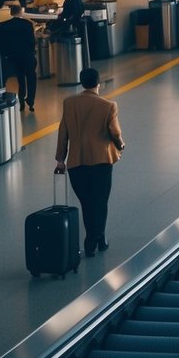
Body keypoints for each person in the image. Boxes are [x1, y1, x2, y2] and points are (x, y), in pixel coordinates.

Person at [55, 67, 125, 257]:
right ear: (98, 84)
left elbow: (63, 133)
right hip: (101, 161)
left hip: (77, 163)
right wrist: (120, 144)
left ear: (81, 82)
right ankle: (97, 240)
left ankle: (93, 240)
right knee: (100, 202)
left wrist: (60, 159)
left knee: (87, 203)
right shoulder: (108, 106)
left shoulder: (69, 103)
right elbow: (115, 132)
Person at [0, 3, 38, 111]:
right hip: (27, 55)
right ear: (20, 12)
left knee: (20, 79)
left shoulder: (5, 25)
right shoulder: (27, 24)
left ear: (11, 13)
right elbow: (32, 41)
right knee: (31, 77)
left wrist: (6, 53)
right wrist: (32, 51)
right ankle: (30, 101)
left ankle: (21, 99)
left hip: (14, 57)